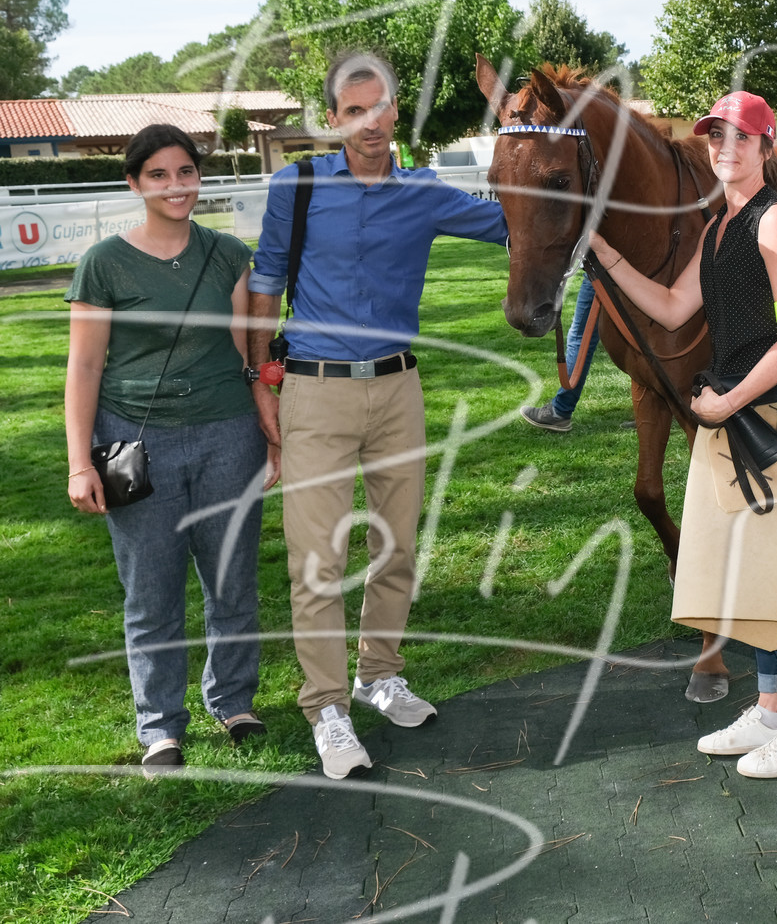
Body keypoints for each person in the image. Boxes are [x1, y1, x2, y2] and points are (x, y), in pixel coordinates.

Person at [247, 52, 508, 780]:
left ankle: (379, 674)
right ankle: (326, 707)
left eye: (381, 105)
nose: (370, 122)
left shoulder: (424, 193)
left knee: (395, 546)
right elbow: (265, 281)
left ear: (398, 110)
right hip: (313, 390)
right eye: (353, 110)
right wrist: (259, 383)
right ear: (332, 118)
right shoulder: (297, 185)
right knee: (317, 558)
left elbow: (517, 226)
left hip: (399, 390)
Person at [589, 91, 777, 779]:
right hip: (731, 419)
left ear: (764, 146)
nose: (724, 148)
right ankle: (773, 706)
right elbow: (673, 306)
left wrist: (729, 399)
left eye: (740, 137)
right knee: (745, 574)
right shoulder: (719, 227)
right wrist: (606, 253)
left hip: (771, 419)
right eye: (714, 136)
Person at [65, 124, 279, 774]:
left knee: (231, 578)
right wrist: (79, 462)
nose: (175, 185)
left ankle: (234, 700)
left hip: (228, 434)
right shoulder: (104, 263)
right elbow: (84, 367)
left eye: (185, 171)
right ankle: (160, 724)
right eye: (158, 174)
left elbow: (248, 352)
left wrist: (272, 430)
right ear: (134, 183)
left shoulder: (227, 254)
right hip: (131, 441)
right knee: (150, 587)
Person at [519, 273, 598, 432]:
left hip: (602, 272)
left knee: (580, 336)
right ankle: (647, 407)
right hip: (630, 270)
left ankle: (560, 411)